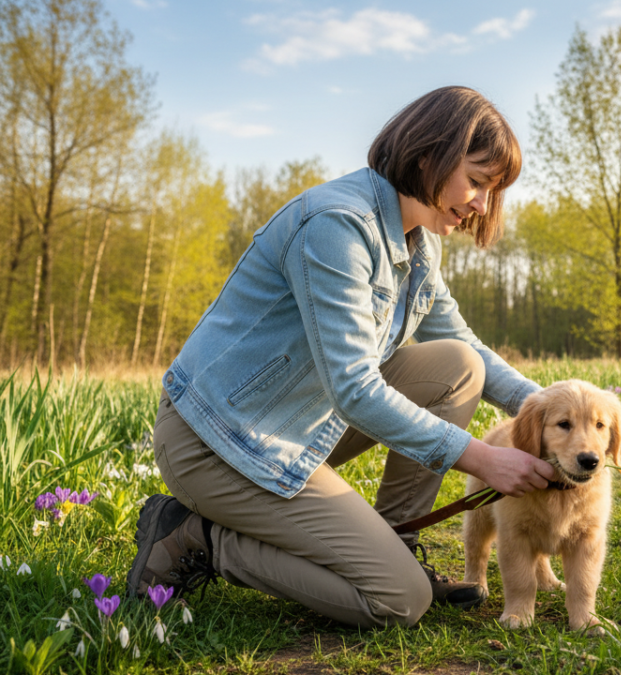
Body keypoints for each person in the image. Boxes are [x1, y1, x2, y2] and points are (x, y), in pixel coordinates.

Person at [126, 86, 558, 628]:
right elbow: (355, 387)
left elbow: (466, 345)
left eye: (489, 191)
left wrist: (549, 405)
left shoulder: (418, 242)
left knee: (458, 368)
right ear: (429, 154)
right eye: (475, 181)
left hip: (298, 426)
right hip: (217, 443)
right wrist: (481, 457)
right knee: (398, 601)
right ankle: (197, 538)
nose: (480, 204)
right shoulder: (337, 226)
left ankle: (399, 545)